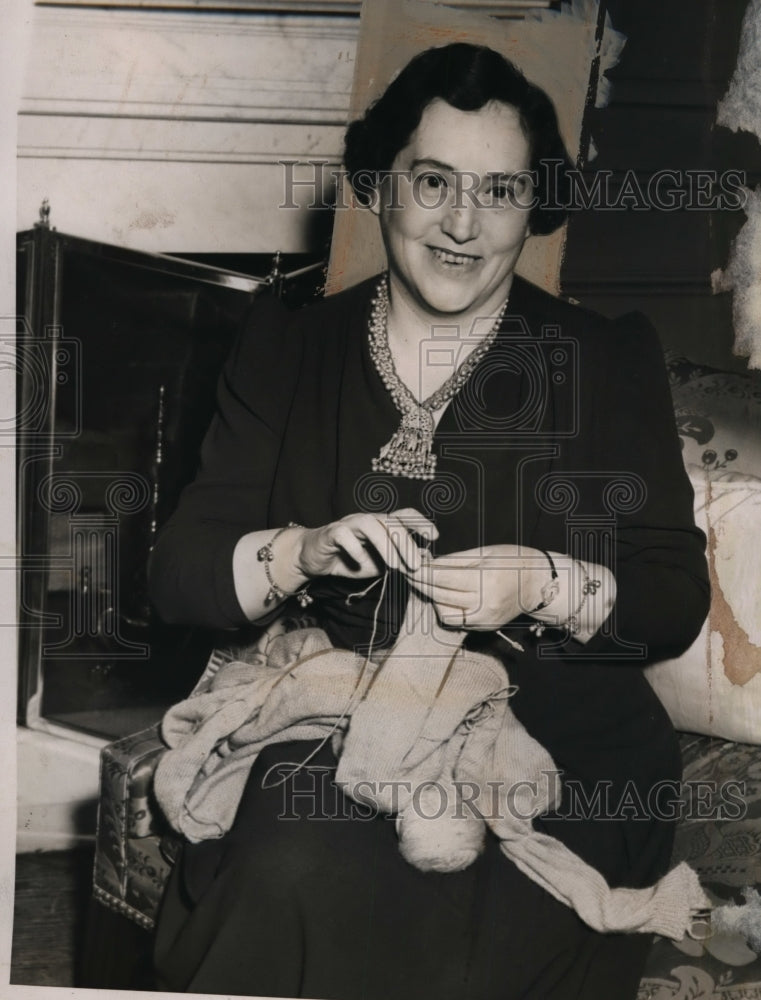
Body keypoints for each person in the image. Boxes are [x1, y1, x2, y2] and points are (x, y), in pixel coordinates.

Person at [148, 43, 710, 1000]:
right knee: (287, 865)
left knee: (483, 925)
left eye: (498, 190)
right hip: (354, 737)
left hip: (566, 757)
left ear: (534, 206)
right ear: (379, 186)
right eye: (434, 181)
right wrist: (300, 551)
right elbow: (180, 574)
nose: (460, 223)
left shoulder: (604, 358)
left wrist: (545, 582)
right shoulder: (289, 345)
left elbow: (671, 596)